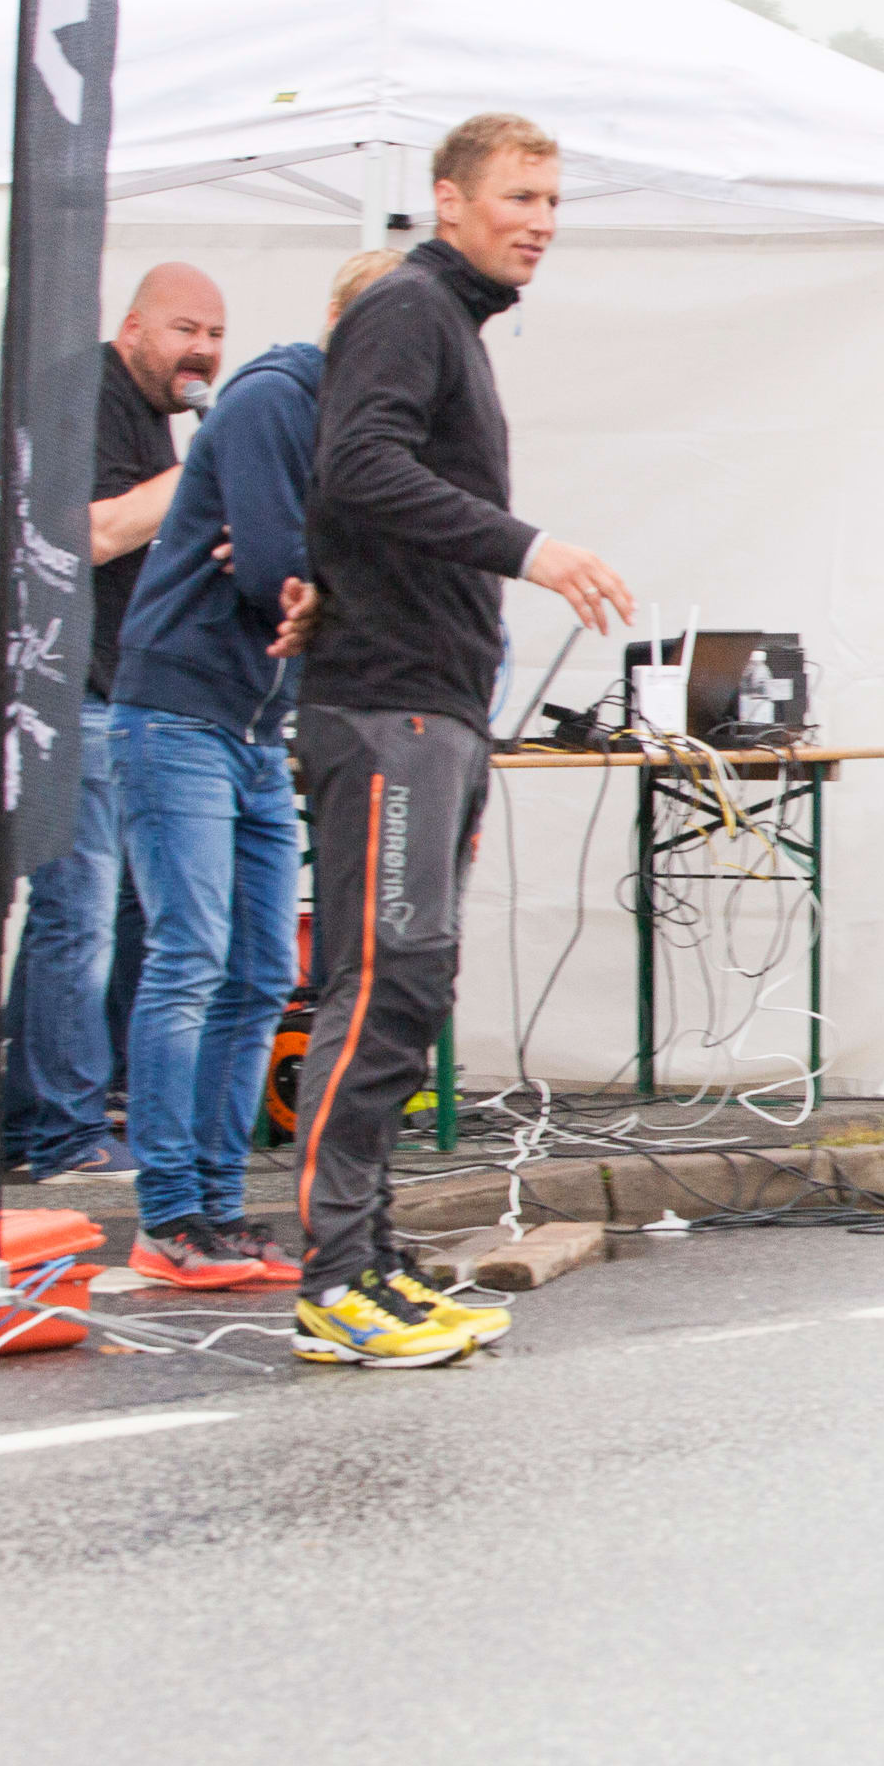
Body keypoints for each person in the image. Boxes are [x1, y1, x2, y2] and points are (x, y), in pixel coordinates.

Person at [274, 116, 634, 1368]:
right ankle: (333, 1282)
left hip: (435, 704)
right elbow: (356, 471)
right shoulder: (408, 307)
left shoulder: (449, 322)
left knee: (411, 986)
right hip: (388, 707)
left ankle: (371, 1258)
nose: (541, 221)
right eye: (519, 196)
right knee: (380, 984)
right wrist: (529, 548)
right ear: (448, 199)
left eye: (553, 200)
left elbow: (356, 497)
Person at [103, 255, 390, 1289]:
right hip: (178, 713)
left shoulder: (359, 428)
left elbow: (344, 567)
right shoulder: (275, 399)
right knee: (190, 958)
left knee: (263, 972)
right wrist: (326, 568)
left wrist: (330, 569)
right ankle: (168, 1216)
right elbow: (276, 572)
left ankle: (219, 1213)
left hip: (258, 727)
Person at [0, 265, 225, 1183]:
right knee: (78, 915)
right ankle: (62, 1134)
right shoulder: (85, 395)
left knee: (94, 913)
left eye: (215, 334)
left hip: (109, 692)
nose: (202, 350)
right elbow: (88, 533)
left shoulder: (152, 416)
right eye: (184, 329)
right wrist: (205, 468)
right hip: (54, 687)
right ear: (132, 328)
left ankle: (44, 1118)